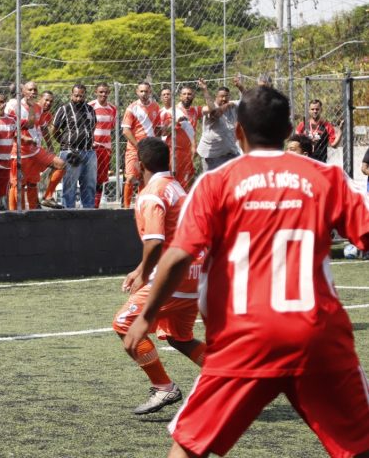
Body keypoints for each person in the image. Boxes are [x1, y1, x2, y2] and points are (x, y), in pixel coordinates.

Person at [124, 86, 369, 458]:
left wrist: (146, 316)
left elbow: (178, 256)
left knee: (188, 447)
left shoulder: (215, 183)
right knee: (360, 445)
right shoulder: (327, 177)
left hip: (243, 338)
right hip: (317, 336)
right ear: (289, 131)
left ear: (238, 131)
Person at [113, 137, 206, 415]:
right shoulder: (176, 185)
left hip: (174, 277)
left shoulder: (153, 193)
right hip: (195, 273)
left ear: (139, 164)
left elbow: (154, 241)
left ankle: (164, 387)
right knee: (179, 337)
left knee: (124, 325)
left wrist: (142, 273)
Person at [7, 82, 65, 210]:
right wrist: (23, 138)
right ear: (23, 92)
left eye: (35, 90)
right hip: (19, 151)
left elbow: (41, 128)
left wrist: (49, 145)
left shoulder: (38, 108)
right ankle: (14, 212)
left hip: (35, 150)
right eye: (30, 89)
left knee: (59, 165)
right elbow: (10, 128)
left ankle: (47, 198)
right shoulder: (15, 107)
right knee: (18, 184)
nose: (33, 92)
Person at [47, 84, 97, 209]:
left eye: (81, 96)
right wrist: (64, 143)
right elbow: (54, 129)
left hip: (88, 152)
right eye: (76, 96)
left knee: (90, 184)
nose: (79, 99)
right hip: (71, 152)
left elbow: (92, 127)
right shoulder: (64, 109)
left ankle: (89, 211)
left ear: (85, 95)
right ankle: (69, 211)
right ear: (71, 95)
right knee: (70, 185)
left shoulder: (90, 110)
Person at [121, 82, 162, 208]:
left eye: (146, 91)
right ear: (137, 92)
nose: (144, 94)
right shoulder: (132, 108)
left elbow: (158, 128)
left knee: (146, 178)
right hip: (135, 149)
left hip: (150, 149)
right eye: (141, 91)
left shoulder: (155, 107)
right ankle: (126, 208)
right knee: (131, 177)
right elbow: (126, 130)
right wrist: (138, 145)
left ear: (150, 92)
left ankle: (142, 206)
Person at [162, 82, 205, 191]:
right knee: (173, 179)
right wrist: (176, 122)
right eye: (184, 94)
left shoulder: (195, 110)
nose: (187, 96)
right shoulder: (173, 111)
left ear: (193, 96)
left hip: (189, 151)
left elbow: (212, 108)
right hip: (174, 150)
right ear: (180, 96)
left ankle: (186, 204)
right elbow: (164, 132)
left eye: (189, 94)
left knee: (188, 180)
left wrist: (204, 89)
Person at [195, 84, 240, 172]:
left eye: (226, 96)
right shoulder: (210, 109)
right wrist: (205, 90)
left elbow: (245, 100)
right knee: (212, 182)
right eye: (221, 96)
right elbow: (215, 112)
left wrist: (240, 86)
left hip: (230, 152)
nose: (224, 99)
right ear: (216, 97)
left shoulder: (232, 105)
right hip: (212, 155)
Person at [89, 83, 118, 207]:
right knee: (89, 177)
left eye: (106, 92)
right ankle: (87, 204)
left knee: (101, 179)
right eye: (101, 92)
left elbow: (111, 126)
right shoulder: (90, 106)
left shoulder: (113, 109)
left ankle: (96, 205)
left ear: (109, 93)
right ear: (96, 92)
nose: (103, 94)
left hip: (106, 148)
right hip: (92, 147)